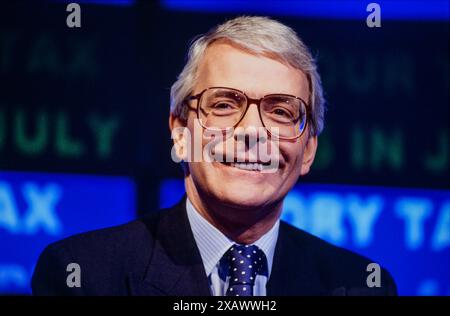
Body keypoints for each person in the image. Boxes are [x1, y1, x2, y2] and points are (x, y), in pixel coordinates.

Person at [32, 16, 397, 296]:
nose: (253, 130)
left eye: (281, 111)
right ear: (179, 132)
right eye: (224, 104)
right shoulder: (84, 274)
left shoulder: (359, 286)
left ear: (308, 151)